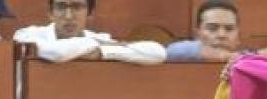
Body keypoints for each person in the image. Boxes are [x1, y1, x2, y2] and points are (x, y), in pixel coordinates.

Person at [13, 0, 166, 64]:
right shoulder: (28, 35)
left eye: (77, 7)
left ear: (90, 14)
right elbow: (55, 53)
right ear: (50, 13)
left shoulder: (100, 41)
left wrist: (103, 53)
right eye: (61, 7)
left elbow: (158, 52)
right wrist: (93, 45)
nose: (68, 16)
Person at [167, 0, 267, 64]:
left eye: (229, 29)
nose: (221, 34)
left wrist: (250, 56)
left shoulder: (245, 58)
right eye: (212, 28)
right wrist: (223, 56)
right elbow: (171, 51)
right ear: (198, 33)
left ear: (238, 35)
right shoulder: (183, 52)